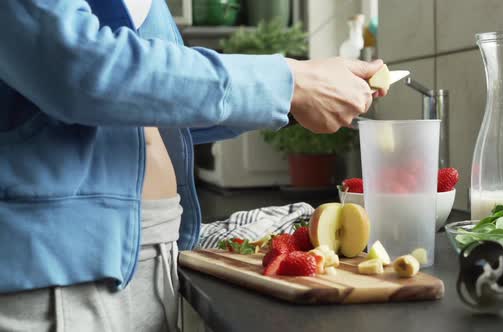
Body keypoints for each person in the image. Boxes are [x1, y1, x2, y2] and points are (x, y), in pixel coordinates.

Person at [0, 0, 388, 331]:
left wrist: (294, 93)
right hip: (54, 275)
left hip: (155, 254)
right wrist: (288, 83)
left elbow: (156, 100)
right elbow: (79, 68)